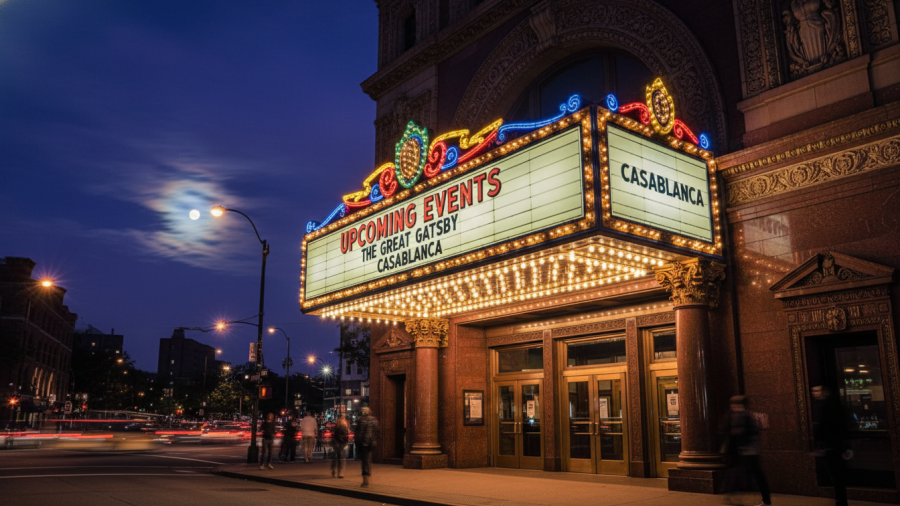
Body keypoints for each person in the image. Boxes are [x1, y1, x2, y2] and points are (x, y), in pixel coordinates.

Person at [721, 395, 771, 506]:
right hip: (749, 450)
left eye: (733, 404)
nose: (732, 407)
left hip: (746, 451)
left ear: (737, 405)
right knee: (754, 474)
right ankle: (766, 500)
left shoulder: (742, 416)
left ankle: (765, 500)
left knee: (751, 474)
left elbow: (739, 433)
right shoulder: (747, 416)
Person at [812, 385, 849, 506]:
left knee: (835, 474)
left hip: (832, 444)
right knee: (836, 474)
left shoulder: (826, 406)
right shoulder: (829, 405)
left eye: (817, 391)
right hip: (834, 444)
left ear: (824, 391)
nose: (814, 393)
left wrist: (820, 440)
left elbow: (826, 426)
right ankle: (840, 500)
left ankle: (840, 500)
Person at [355, 406, 380, 487]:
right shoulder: (374, 420)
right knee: (368, 460)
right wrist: (374, 440)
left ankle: (365, 480)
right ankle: (367, 478)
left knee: (364, 461)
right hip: (371, 443)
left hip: (364, 443)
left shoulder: (361, 420)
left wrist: (359, 441)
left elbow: (359, 432)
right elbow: (376, 431)